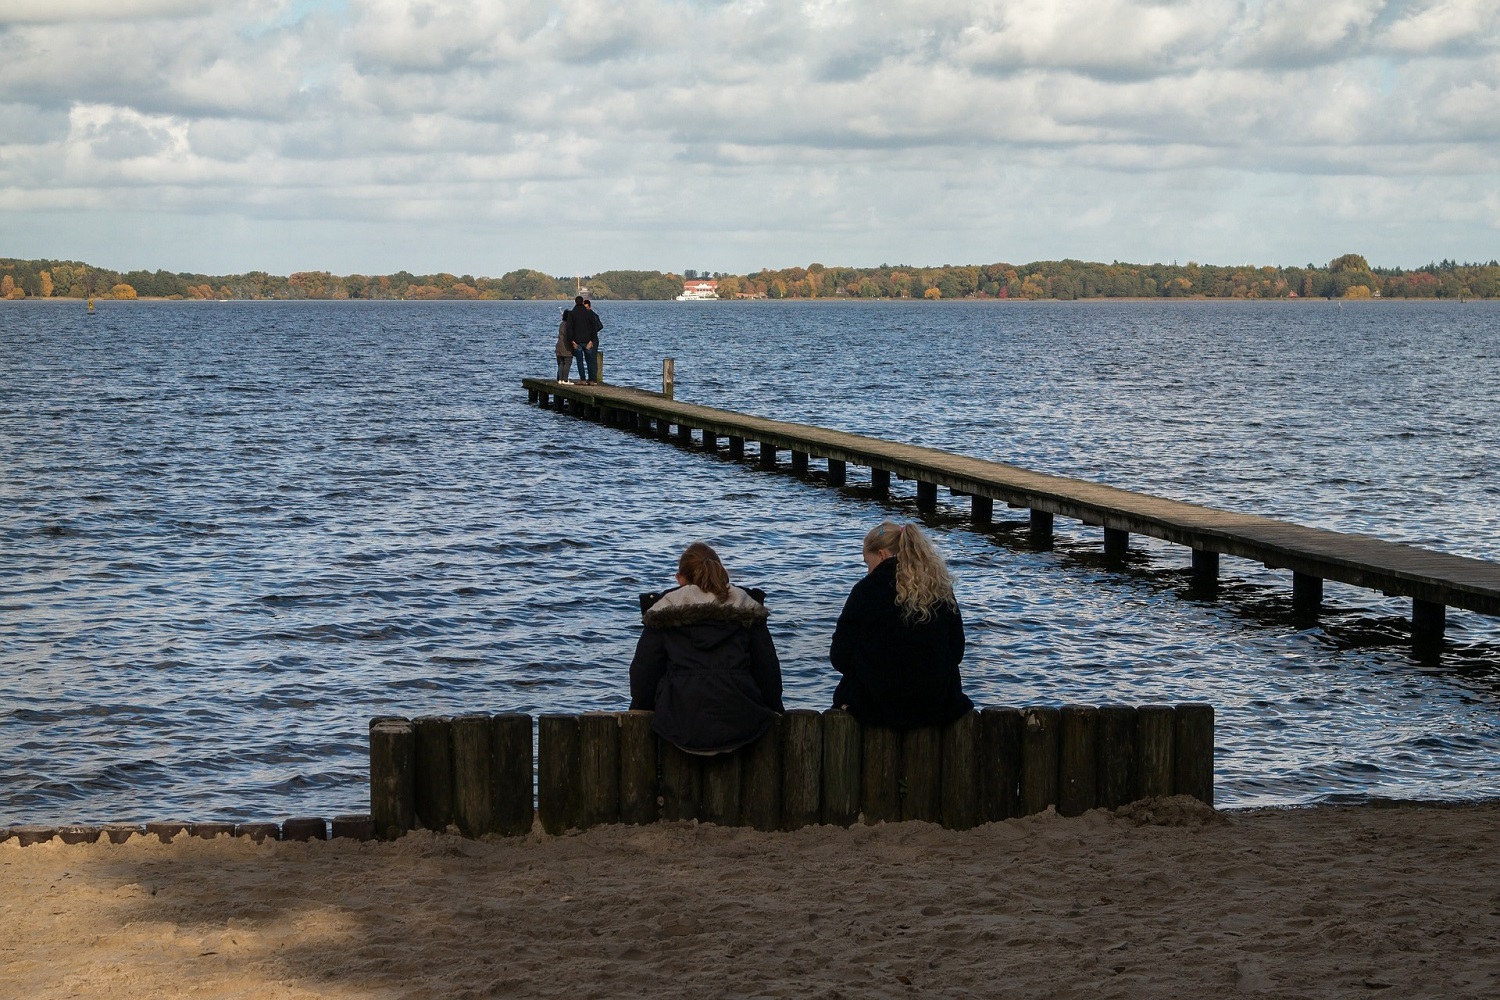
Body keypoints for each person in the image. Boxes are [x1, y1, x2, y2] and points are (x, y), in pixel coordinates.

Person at [629, 541, 784, 753]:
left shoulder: (662, 613)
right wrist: (774, 710)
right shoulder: (747, 609)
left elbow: (644, 675)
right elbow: (768, 672)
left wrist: (642, 711)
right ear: (720, 573)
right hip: (742, 723)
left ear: (679, 579)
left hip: (678, 725)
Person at [829, 521, 973, 729]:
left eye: (867, 563)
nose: (868, 571)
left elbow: (839, 657)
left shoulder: (866, 590)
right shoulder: (940, 588)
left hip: (878, 706)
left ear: (882, 555)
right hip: (936, 704)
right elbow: (956, 651)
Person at [567, 295, 603, 384]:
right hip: (588, 341)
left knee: (580, 361)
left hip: (577, 342)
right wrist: (592, 340)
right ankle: (592, 380)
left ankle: (582, 379)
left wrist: (572, 341)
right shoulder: (589, 313)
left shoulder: (571, 314)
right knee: (590, 361)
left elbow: (569, 329)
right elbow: (594, 328)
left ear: (575, 302)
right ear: (582, 302)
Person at [555, 308, 573, 382]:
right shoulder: (568, 325)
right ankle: (565, 379)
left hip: (559, 345)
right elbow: (569, 336)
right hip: (566, 346)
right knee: (567, 363)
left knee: (561, 363)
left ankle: (560, 379)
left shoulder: (561, 324)